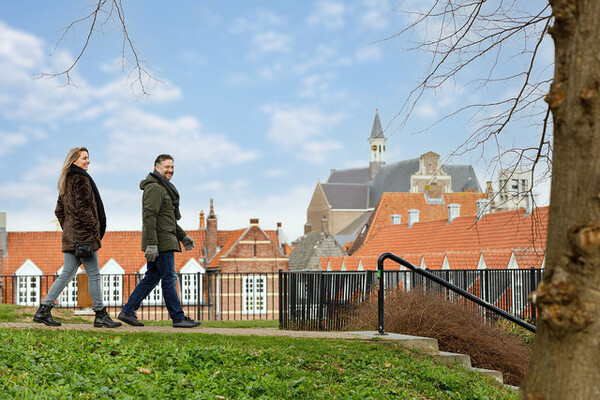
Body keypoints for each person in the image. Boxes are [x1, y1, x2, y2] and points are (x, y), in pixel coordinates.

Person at [33, 147, 121, 328]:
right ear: (74, 160)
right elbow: (83, 208)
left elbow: (59, 210)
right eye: (84, 158)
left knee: (66, 274)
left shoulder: (65, 181)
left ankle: (43, 311)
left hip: (72, 237)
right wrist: (93, 228)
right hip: (84, 237)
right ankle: (100, 315)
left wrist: (69, 227)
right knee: (94, 275)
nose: (88, 161)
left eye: (88, 158)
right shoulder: (81, 179)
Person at [118, 154, 201, 328]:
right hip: (160, 243)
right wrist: (151, 244)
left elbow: (167, 220)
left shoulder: (164, 188)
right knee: (169, 278)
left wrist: (182, 236)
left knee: (151, 278)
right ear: (157, 167)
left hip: (163, 240)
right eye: (166, 167)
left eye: (172, 167)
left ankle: (127, 311)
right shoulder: (155, 188)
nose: (170, 170)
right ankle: (178, 318)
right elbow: (149, 217)